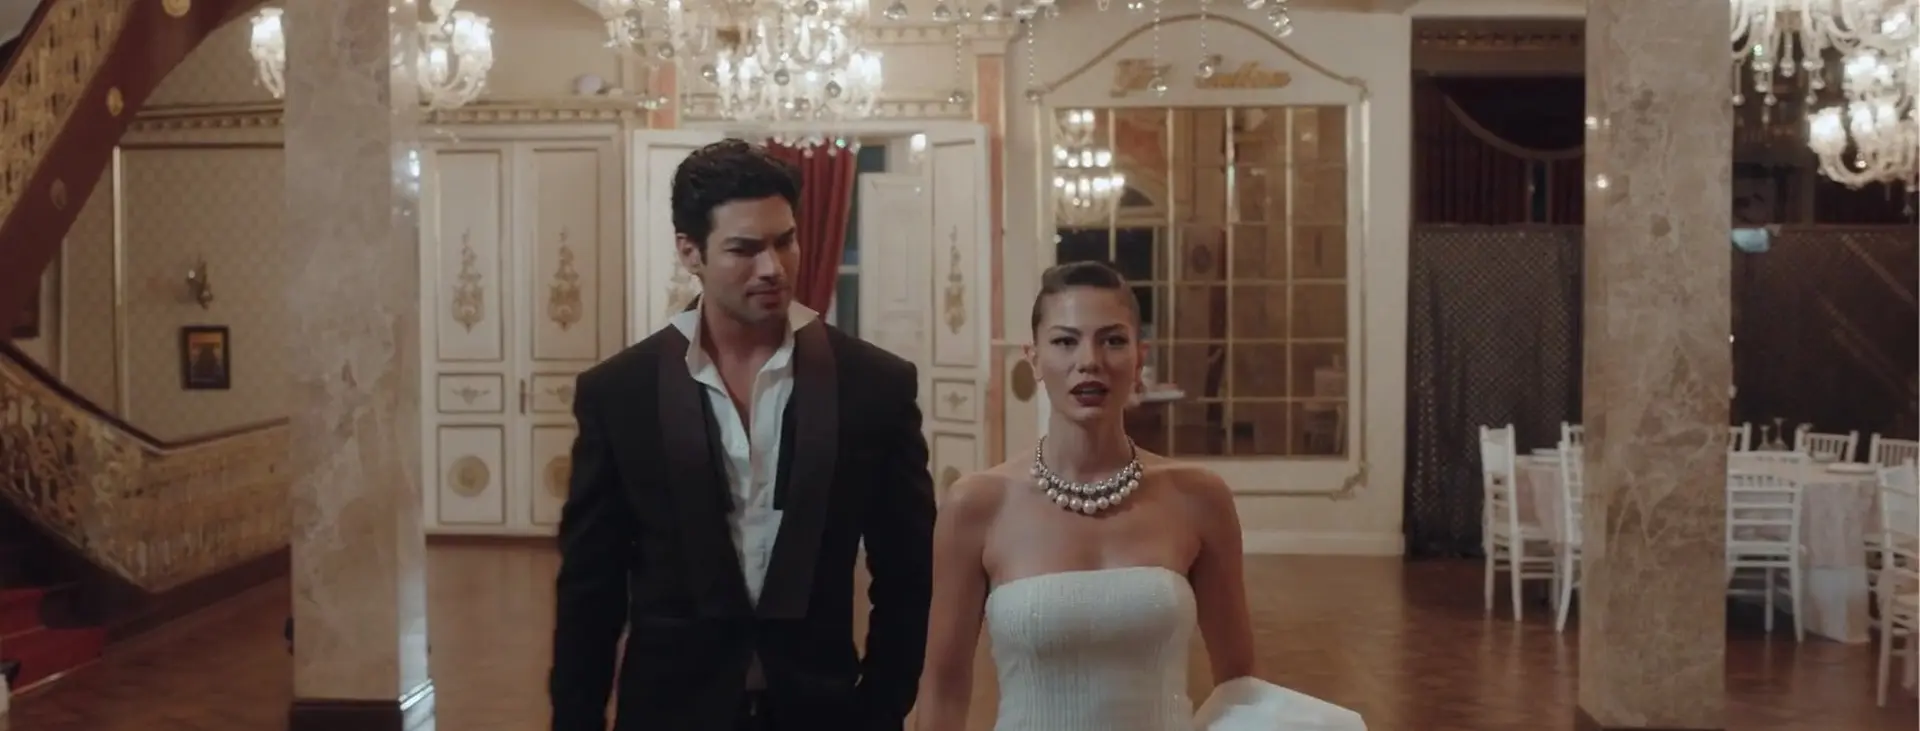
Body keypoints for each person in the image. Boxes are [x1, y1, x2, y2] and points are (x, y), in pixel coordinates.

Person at [549, 139, 937, 731]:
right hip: (669, 712)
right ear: (690, 251)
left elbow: (907, 571)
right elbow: (590, 587)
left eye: (785, 241)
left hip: (823, 711)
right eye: (745, 248)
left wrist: (881, 707)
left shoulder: (874, 385)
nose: (773, 267)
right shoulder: (621, 392)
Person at [914, 261, 1366, 731]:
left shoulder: (1198, 498)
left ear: (1139, 358)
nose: (1089, 360)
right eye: (1065, 341)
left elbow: (1240, 686)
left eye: (1112, 340)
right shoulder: (978, 506)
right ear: (1034, 358)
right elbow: (943, 690)